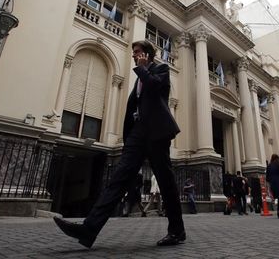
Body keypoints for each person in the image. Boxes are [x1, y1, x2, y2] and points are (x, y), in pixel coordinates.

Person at [53, 40, 185, 247]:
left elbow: (155, 88)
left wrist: (142, 70)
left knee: (166, 183)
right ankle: (89, 230)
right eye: (133, 52)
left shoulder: (161, 69)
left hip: (157, 133)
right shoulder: (139, 77)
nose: (134, 55)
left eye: (138, 52)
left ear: (148, 55)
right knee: (118, 179)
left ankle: (177, 231)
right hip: (138, 134)